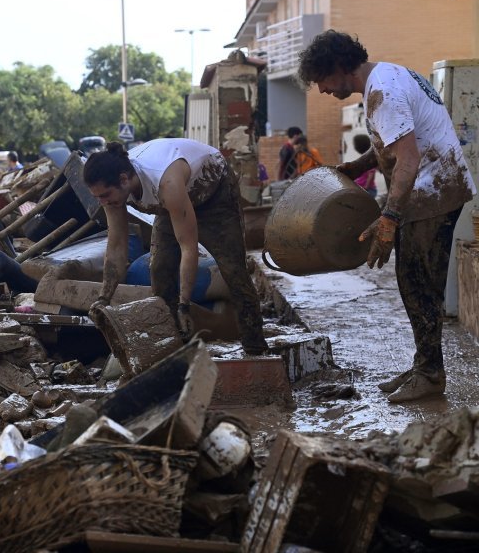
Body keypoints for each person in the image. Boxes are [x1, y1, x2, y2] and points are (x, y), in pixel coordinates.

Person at [297, 30, 477, 403]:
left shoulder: (384, 92)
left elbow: (408, 160)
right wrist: (355, 165)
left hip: (432, 193)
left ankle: (430, 374)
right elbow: (395, 147)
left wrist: (388, 218)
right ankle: (423, 365)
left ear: (340, 67)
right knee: (414, 282)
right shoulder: (388, 76)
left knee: (418, 285)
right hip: (434, 187)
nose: (323, 91)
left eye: (323, 80)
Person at [83, 139, 269, 354]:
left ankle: (255, 345)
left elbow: (188, 248)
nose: (103, 203)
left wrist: (184, 305)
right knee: (160, 268)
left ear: (124, 180)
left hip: (214, 194)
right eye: (98, 198)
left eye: (105, 196)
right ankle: (175, 345)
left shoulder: (165, 182)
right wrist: (103, 299)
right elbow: (116, 248)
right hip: (171, 203)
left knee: (233, 270)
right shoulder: (112, 194)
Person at [352, 133, 378, 198]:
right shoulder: (364, 159)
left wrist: (366, 186)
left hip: (368, 190)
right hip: (363, 188)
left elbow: (371, 173)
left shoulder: (368, 160)